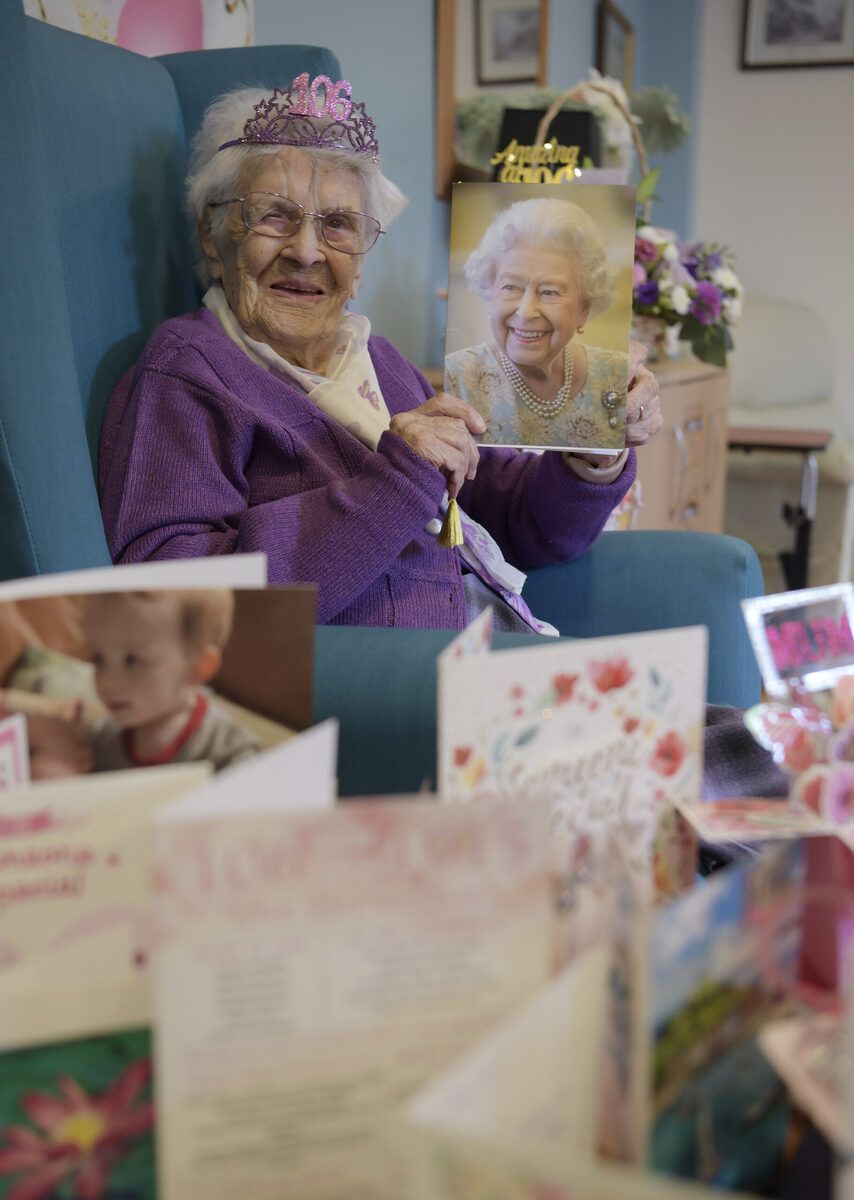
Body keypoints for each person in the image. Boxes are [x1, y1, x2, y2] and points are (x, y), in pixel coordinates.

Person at [99, 76, 661, 635]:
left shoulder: (380, 360)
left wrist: (595, 447)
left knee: (723, 725)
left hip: (492, 658)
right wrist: (395, 484)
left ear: (363, 258)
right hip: (385, 699)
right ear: (211, 233)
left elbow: (518, 524)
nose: (307, 251)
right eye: (274, 215)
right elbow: (169, 605)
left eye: (339, 224)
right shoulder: (189, 371)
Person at [444, 197, 630, 452]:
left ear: (584, 308)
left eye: (550, 292)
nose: (526, 312)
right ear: (490, 293)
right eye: (510, 287)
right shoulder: (456, 378)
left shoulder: (617, 375)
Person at [83, 589, 259, 772]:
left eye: (132, 660)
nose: (107, 682)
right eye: (98, 658)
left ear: (197, 667)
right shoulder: (99, 741)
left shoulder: (230, 751)